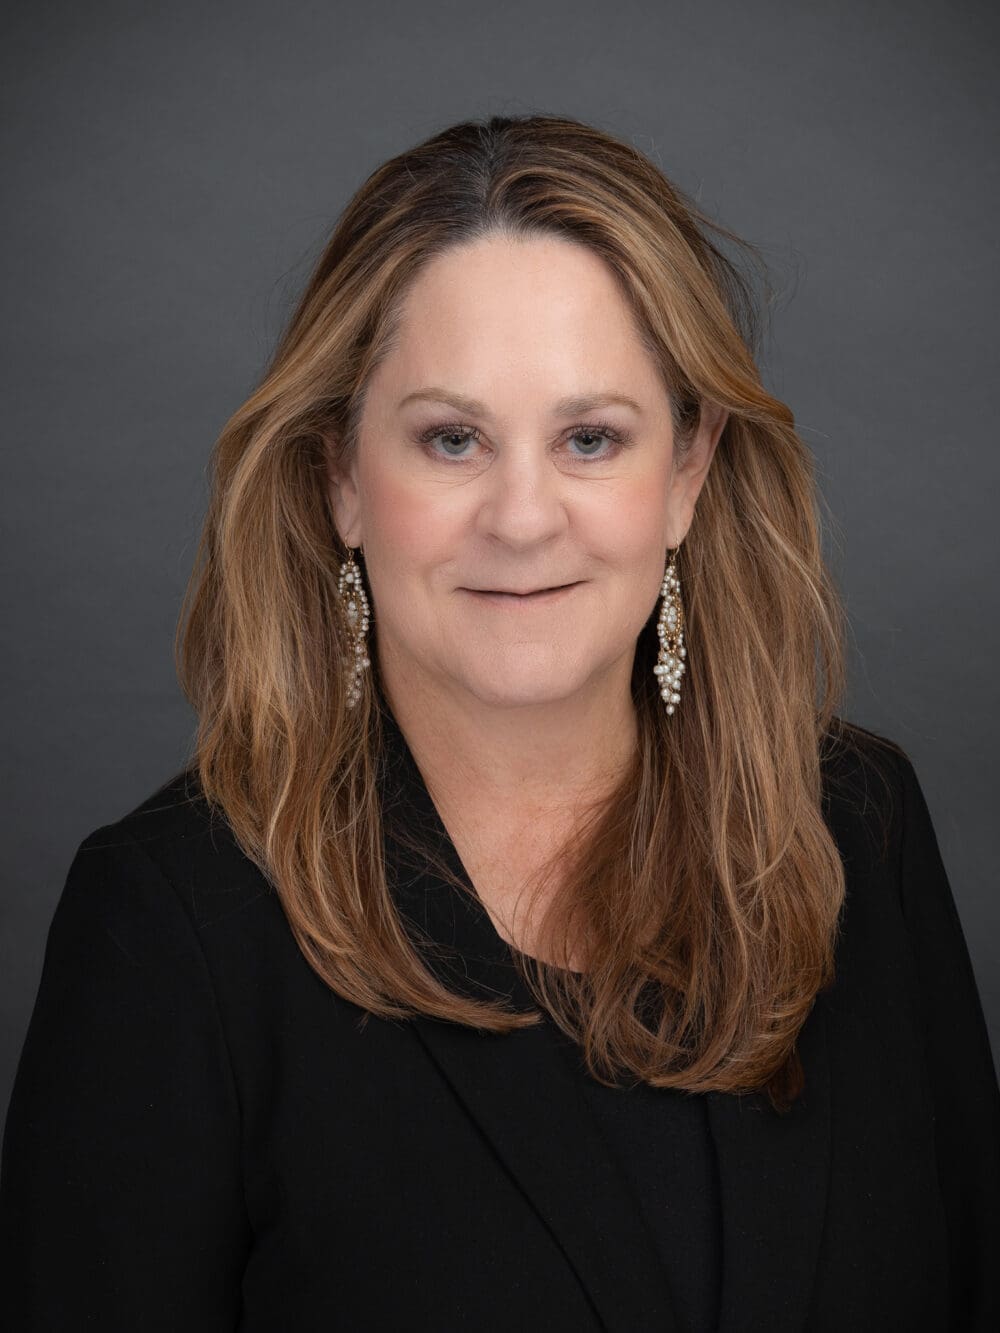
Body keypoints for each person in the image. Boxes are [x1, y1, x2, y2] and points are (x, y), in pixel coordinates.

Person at [1, 113, 997, 1332]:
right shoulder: (174, 928)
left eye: (590, 439)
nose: (523, 519)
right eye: (452, 439)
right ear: (340, 481)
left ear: (685, 473)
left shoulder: (858, 828)